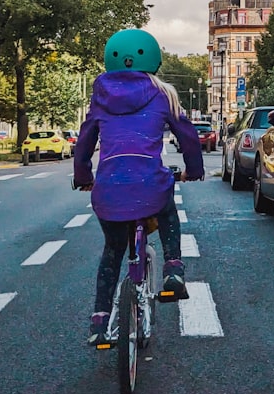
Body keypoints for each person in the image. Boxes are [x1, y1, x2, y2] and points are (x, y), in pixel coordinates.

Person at [73, 28, 204, 347]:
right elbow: (187, 136)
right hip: (149, 186)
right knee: (168, 210)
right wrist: (194, 170)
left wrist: (83, 176)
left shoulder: (100, 97)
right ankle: (173, 267)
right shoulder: (163, 94)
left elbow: (85, 140)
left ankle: (100, 324)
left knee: (113, 252)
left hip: (108, 189)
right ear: (154, 59)